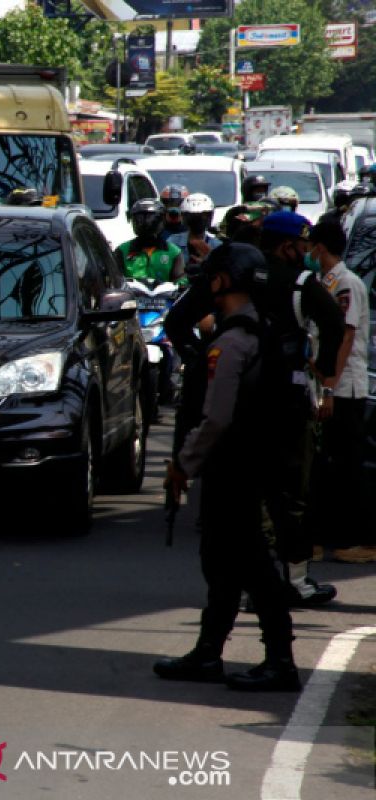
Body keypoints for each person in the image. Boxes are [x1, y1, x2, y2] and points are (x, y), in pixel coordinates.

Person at [155, 243, 301, 692]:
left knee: (252, 566)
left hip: (233, 470)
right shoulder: (260, 330)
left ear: (221, 281)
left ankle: (279, 660)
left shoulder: (233, 341)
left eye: (211, 277)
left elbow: (216, 417)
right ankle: (207, 653)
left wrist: (183, 464)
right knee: (222, 563)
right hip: (249, 465)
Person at [253, 211, 345, 605]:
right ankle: (296, 581)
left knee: (252, 495)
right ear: (287, 245)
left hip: (246, 400)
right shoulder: (303, 283)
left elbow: (186, 318)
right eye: (301, 244)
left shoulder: (243, 278)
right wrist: (324, 373)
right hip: (290, 401)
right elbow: (335, 326)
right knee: (292, 494)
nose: (305, 251)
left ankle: (255, 585)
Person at [306, 221, 373, 564]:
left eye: (311, 246)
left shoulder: (346, 283)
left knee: (348, 464)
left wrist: (330, 384)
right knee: (326, 463)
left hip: (345, 387)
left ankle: (361, 538)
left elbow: (345, 336)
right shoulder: (325, 283)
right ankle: (328, 535)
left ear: (321, 247)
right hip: (329, 383)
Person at [116, 198, 186, 284]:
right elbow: (115, 280)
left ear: (162, 221)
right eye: (140, 218)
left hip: (165, 297)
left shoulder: (173, 252)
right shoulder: (122, 250)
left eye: (151, 218)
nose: (146, 223)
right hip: (131, 297)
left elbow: (180, 280)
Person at [167, 192, 220, 275]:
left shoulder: (217, 246)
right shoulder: (173, 242)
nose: (198, 221)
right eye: (193, 217)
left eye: (203, 216)